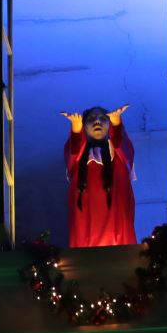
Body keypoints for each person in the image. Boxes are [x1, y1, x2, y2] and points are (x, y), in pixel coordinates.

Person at [61, 104, 136, 248]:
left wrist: (117, 123)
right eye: (91, 119)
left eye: (103, 118)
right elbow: (72, 154)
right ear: (85, 127)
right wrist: (76, 128)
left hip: (117, 219)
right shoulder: (79, 156)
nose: (97, 122)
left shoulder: (118, 153)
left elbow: (125, 149)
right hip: (85, 219)